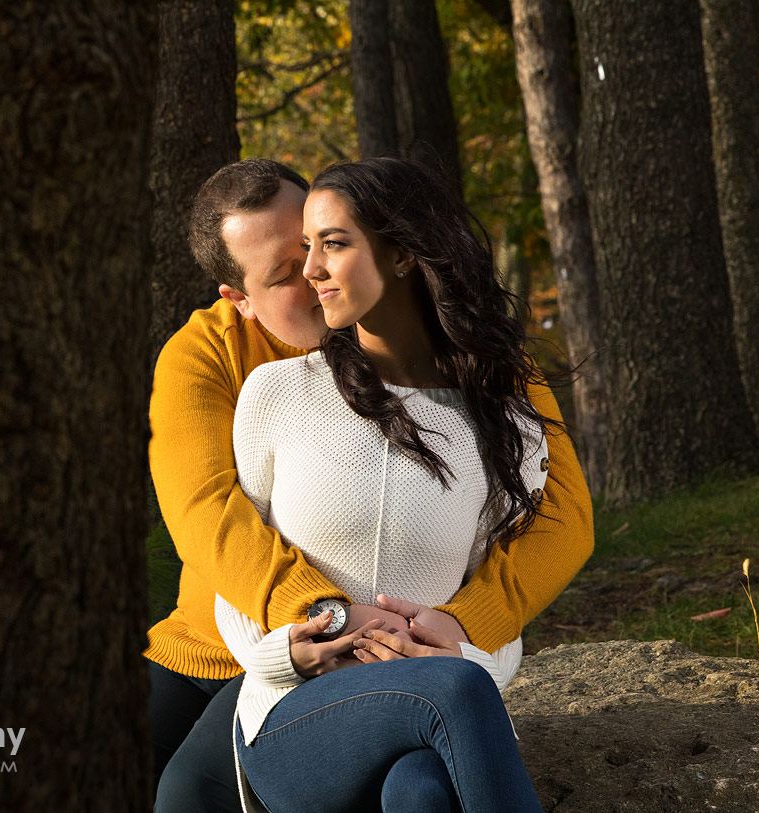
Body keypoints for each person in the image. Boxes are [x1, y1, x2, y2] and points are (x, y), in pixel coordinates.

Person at [145, 158, 593, 811]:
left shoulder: (479, 370)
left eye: (319, 242)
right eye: (282, 273)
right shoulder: (228, 368)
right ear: (238, 300)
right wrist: (324, 617)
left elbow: (562, 516)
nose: (310, 273)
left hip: (404, 662)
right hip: (228, 649)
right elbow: (208, 511)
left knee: (419, 789)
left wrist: (464, 625)